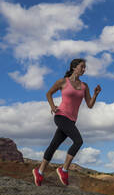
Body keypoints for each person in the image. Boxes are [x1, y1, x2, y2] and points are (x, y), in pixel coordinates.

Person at [32, 58, 101, 186]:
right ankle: (63, 170)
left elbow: (90, 105)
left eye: (85, 67)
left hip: (72, 120)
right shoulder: (63, 82)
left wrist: (96, 94)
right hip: (61, 116)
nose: (84, 69)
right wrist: (52, 106)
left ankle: (39, 171)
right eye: (82, 67)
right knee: (78, 141)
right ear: (74, 68)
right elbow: (49, 93)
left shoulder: (84, 86)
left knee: (54, 145)